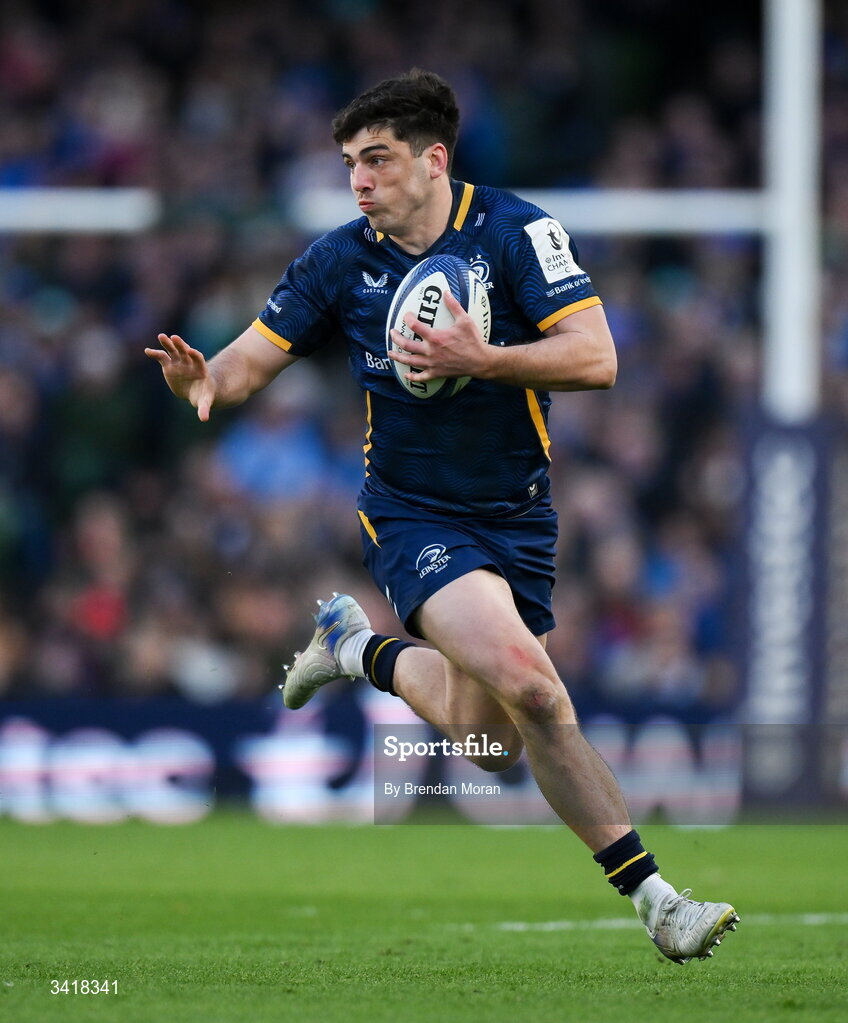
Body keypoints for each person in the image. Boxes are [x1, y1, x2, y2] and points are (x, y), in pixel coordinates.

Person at [146, 68, 738, 964]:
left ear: (434, 160)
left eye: (378, 159)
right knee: (538, 690)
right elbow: (242, 365)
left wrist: (482, 356)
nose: (360, 180)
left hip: (518, 520)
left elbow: (598, 358)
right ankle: (660, 902)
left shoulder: (516, 232)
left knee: (492, 741)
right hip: (412, 517)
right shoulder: (338, 260)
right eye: (351, 163)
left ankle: (357, 650)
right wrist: (202, 380)